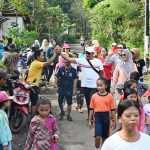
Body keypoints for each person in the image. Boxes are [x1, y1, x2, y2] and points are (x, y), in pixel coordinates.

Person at [60, 46, 105, 118]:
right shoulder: (82, 60)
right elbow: (69, 59)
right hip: (85, 85)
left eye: (89, 53)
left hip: (95, 85)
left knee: (93, 101)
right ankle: (90, 116)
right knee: (88, 101)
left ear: (93, 53)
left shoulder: (98, 61)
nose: (87, 54)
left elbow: (102, 72)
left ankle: (93, 116)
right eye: (86, 53)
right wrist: (60, 53)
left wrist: (105, 83)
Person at [27, 47, 60, 119]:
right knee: (34, 103)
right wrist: (55, 54)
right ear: (37, 56)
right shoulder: (36, 63)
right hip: (33, 85)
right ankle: (32, 119)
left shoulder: (35, 63)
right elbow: (48, 63)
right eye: (42, 55)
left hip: (30, 84)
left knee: (32, 102)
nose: (43, 57)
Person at [89, 77, 116, 150]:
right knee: (97, 137)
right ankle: (97, 148)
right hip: (97, 117)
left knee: (105, 137)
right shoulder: (94, 96)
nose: (99, 87)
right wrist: (90, 120)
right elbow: (91, 109)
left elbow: (113, 110)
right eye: (98, 85)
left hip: (106, 116)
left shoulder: (110, 96)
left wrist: (114, 121)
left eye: (101, 85)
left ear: (106, 86)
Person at [55, 56, 78, 121]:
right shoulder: (61, 69)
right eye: (65, 59)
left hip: (69, 89)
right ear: (64, 60)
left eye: (68, 59)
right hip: (61, 88)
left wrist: (74, 89)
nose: (66, 61)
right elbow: (57, 76)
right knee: (60, 102)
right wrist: (55, 85)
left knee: (69, 103)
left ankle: (68, 115)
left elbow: (75, 79)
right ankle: (62, 111)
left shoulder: (74, 70)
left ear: (70, 60)